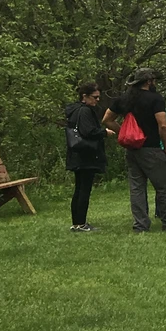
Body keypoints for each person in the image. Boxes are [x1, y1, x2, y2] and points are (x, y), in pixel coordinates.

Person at [102, 68, 166, 232]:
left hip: (132, 149)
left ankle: (140, 225)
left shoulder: (124, 99)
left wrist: (124, 132)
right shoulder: (155, 99)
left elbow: (107, 119)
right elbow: (163, 125)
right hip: (152, 148)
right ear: (149, 82)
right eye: (154, 80)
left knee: (137, 187)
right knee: (164, 187)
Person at [64, 81, 114, 232]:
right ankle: (81, 223)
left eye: (98, 97)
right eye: (94, 97)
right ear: (84, 96)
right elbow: (88, 132)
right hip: (86, 155)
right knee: (84, 190)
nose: (97, 100)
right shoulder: (85, 111)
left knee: (79, 189)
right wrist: (104, 132)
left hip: (77, 154)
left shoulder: (74, 110)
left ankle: (77, 222)